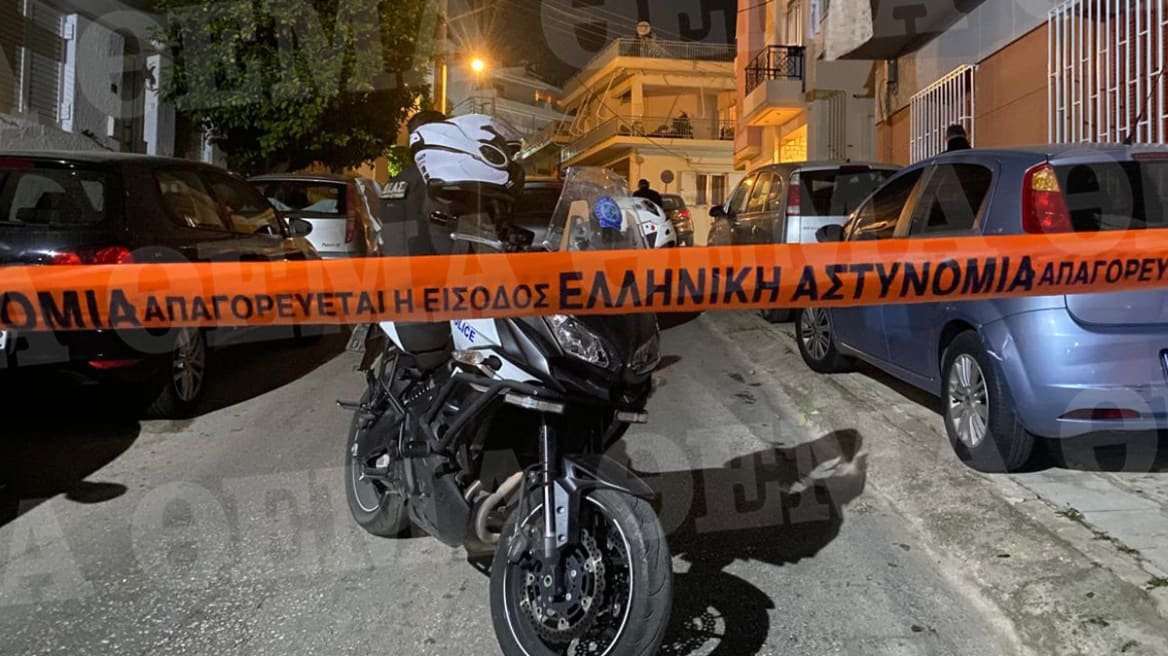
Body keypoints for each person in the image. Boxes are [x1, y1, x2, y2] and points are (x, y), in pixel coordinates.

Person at [379, 109, 452, 258]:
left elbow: (388, 233)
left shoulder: (396, 181)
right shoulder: (435, 179)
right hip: (427, 266)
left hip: (395, 265)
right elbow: (440, 236)